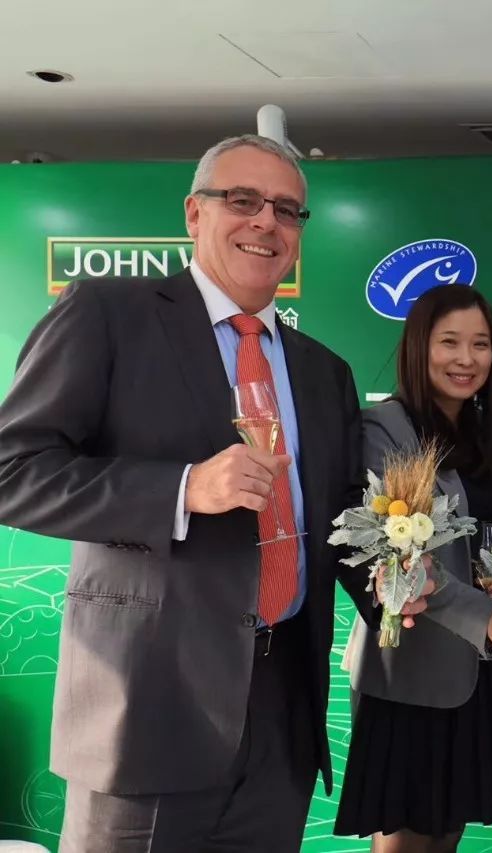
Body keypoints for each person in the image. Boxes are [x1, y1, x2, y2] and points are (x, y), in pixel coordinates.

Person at [0, 134, 411, 851]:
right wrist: (184, 489)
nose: (266, 222)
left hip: (282, 712)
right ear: (195, 213)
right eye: (242, 200)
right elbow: (14, 470)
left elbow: (339, 516)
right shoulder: (110, 313)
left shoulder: (324, 371)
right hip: (146, 707)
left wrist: (392, 576)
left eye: (287, 209)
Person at [335, 285, 492, 852]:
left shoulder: (483, 434)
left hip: (475, 671)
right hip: (408, 673)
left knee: (447, 832)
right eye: (449, 342)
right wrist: (485, 619)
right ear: (418, 347)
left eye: (480, 344)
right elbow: (398, 556)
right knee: (405, 839)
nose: (466, 358)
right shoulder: (384, 429)